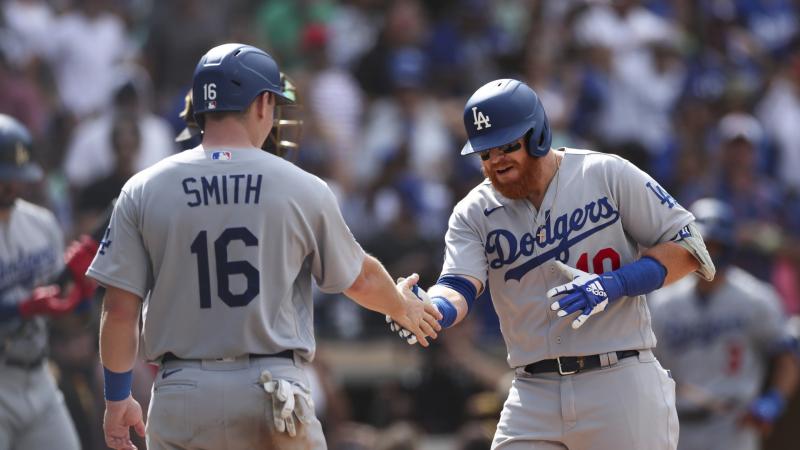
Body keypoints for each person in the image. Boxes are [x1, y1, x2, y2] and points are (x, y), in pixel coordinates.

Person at [87, 43, 441, 450]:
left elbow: (118, 311)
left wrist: (117, 398)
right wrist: (402, 306)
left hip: (181, 392)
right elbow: (359, 278)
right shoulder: (300, 185)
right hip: (272, 391)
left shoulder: (143, 189)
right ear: (263, 103)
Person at [387, 78, 716, 449]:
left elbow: (689, 247)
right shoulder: (474, 212)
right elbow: (460, 284)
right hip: (532, 390)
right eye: (485, 152)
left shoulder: (604, 174)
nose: (497, 161)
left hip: (619, 378)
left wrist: (614, 284)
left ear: (538, 134)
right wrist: (431, 308)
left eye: (507, 146)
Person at [650, 198, 800, 450]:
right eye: (705, 245)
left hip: (732, 425)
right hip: (676, 425)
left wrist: (773, 400)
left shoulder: (755, 297)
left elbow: (786, 353)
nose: (711, 253)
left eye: (717, 245)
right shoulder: (664, 301)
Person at [0, 113, 98, 450]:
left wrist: (82, 296)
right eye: (4, 177)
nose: (13, 185)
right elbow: (30, 305)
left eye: (18, 177)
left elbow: (67, 315)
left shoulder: (41, 224)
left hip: (38, 376)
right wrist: (22, 307)